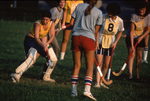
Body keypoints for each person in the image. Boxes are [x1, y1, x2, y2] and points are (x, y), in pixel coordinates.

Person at [10, 10, 57, 83]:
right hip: (30, 40)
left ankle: (45, 77)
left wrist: (47, 43)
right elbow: (36, 38)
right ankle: (16, 74)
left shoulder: (52, 24)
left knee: (53, 58)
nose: (44, 21)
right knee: (32, 57)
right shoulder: (37, 24)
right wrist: (43, 45)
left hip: (41, 41)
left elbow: (51, 36)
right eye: (43, 19)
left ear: (50, 19)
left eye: (46, 20)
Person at [70, 0, 102, 100]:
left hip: (75, 37)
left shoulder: (79, 6)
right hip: (89, 39)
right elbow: (96, 31)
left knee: (76, 65)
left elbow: (71, 22)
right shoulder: (99, 12)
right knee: (89, 66)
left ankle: (73, 92)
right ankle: (87, 90)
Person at [93, 2, 124, 89]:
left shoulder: (120, 21)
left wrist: (116, 42)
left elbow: (121, 31)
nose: (109, 13)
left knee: (106, 64)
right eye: (108, 11)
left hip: (110, 44)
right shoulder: (103, 17)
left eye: (111, 12)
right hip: (100, 42)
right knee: (99, 63)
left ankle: (102, 82)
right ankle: (97, 83)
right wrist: (96, 42)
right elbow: (97, 30)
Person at [125, 1, 150, 80]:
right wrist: (132, 46)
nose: (141, 11)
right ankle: (130, 75)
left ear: (146, 10)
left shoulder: (148, 16)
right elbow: (132, 32)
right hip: (131, 37)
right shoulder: (134, 16)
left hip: (140, 37)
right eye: (140, 9)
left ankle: (137, 76)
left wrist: (141, 37)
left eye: (143, 10)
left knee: (139, 57)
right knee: (132, 55)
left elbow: (148, 30)